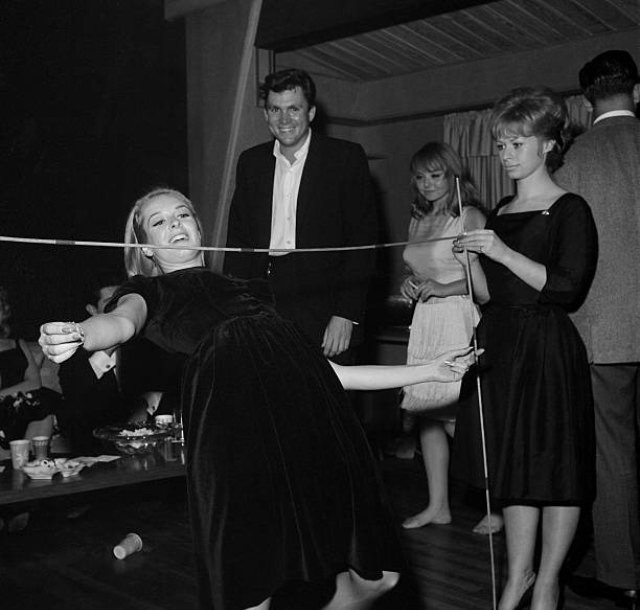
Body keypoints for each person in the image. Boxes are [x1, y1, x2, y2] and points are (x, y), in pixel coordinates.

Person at [39, 187, 478, 610]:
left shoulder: (253, 293)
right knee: (250, 586)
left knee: (380, 576)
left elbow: (330, 375)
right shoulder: (148, 293)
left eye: (182, 215)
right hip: (235, 441)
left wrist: (432, 369)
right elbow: (120, 324)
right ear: (147, 248)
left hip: (309, 433)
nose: (175, 224)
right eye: (159, 221)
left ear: (199, 227)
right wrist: (81, 334)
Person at [452, 87, 598, 610]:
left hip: (547, 346)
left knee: (554, 469)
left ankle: (550, 582)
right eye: (501, 144)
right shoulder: (500, 209)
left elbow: (565, 288)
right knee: (514, 468)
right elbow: (492, 293)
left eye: (517, 143)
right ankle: (518, 579)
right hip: (503, 345)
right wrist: (469, 258)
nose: (506, 153)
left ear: (549, 145)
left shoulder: (569, 208)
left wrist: (503, 251)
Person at [554, 49, 640, 608]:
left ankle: (623, 575)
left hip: (605, 331)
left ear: (586, 102)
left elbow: (549, 236)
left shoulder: (579, 156)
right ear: (638, 90)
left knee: (613, 457)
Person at [224, 68, 378, 363]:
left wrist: (346, 314)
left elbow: (363, 241)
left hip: (327, 302)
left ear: (311, 113)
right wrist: (238, 310)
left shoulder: (345, 158)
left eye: (293, 109)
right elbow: (238, 243)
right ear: (266, 115)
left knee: (331, 401)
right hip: (265, 301)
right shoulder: (251, 163)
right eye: (275, 109)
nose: (284, 120)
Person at [398, 142, 494, 532]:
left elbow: (484, 290)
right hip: (425, 322)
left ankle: (499, 505)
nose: (427, 184)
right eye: (420, 177)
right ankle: (438, 505)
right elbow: (423, 271)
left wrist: (441, 287)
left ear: (453, 175)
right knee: (426, 415)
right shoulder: (418, 220)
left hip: (457, 320)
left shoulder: (469, 216)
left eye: (435, 175)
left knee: (464, 419)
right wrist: (411, 285)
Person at [56, 273, 183, 453]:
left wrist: (144, 403)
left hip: (146, 446)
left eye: (122, 302)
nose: (118, 309)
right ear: (92, 310)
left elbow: (168, 389)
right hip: (95, 449)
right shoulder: (75, 355)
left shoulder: (144, 345)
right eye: (109, 302)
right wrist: (109, 345)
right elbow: (78, 398)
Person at [0, 286, 57, 446]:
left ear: (4, 312)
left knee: (44, 399)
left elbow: (34, 382)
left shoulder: (19, 343)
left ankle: (32, 462)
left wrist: (6, 395)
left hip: (21, 404)